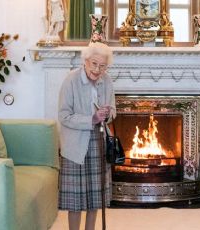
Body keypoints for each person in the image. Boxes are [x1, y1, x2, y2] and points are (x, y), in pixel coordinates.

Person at [58, 42, 116, 230]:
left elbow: (113, 111)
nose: (98, 70)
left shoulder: (107, 80)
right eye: (94, 64)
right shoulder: (71, 80)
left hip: (99, 142)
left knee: (94, 198)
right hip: (75, 146)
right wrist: (91, 118)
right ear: (85, 61)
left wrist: (107, 115)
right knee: (75, 200)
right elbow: (64, 116)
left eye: (103, 66)